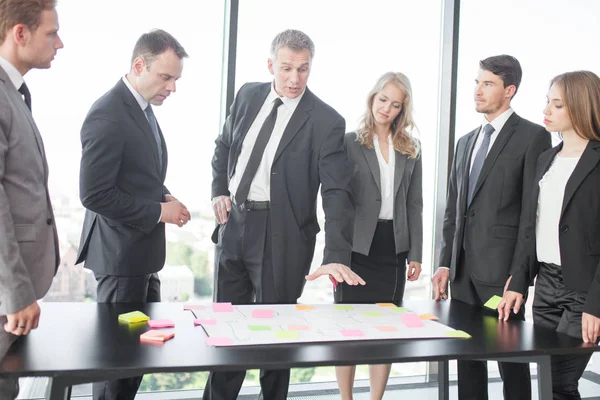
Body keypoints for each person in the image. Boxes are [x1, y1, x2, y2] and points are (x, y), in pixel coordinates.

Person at [208, 29, 364, 400]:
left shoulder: (326, 121)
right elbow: (224, 146)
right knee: (225, 329)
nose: (295, 79)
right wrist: (218, 190)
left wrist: (336, 255)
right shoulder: (247, 95)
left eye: (303, 69)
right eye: (286, 69)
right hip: (235, 225)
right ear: (270, 66)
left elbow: (337, 193)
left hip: (283, 235)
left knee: (276, 336)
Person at [76, 29, 190, 400]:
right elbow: (95, 194)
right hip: (120, 259)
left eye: (175, 79)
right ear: (139, 65)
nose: (172, 88)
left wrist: (165, 196)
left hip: (139, 258)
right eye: (166, 77)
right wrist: (160, 211)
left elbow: (136, 175)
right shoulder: (108, 114)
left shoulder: (140, 109)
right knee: (117, 366)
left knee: (133, 362)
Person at [432, 55, 551, 400]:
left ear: (509, 90)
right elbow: (454, 211)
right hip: (462, 274)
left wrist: (519, 276)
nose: (478, 91)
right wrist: (445, 263)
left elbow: (532, 216)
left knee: (510, 360)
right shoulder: (465, 142)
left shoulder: (533, 137)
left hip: (502, 277)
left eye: (488, 84)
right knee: (467, 359)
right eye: (477, 82)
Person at [500, 70, 600, 400]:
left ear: (581, 108)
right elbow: (531, 228)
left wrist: (596, 304)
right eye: (548, 102)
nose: (547, 110)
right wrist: (517, 282)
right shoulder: (546, 159)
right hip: (545, 287)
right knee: (547, 378)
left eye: (558, 104)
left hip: (584, 290)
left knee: (560, 383)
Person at [334, 71, 422, 400]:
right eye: (382, 99)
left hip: (393, 248)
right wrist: (336, 252)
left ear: (402, 110)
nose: (386, 108)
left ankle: (375, 398)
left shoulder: (411, 148)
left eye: (395, 104)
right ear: (373, 98)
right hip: (355, 249)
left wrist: (416, 253)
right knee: (347, 330)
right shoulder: (348, 142)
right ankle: (346, 397)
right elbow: (337, 200)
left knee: (385, 330)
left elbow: (415, 203)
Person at [0, 0, 62, 398]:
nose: (60, 43)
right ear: (20, 34)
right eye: (51, 32)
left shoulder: (15, 93)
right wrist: (16, 292)